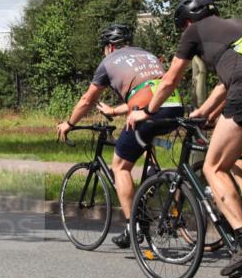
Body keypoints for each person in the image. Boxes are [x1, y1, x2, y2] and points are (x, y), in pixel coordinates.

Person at [126, 0, 242, 276]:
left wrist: (148, 111)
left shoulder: (194, 31)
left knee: (213, 167)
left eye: (183, 26)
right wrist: (206, 112)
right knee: (240, 159)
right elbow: (229, 83)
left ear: (188, 21)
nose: (185, 31)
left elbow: (169, 80)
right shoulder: (240, 25)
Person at [56, 23, 184, 248]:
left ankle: (133, 227)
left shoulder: (108, 62)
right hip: (174, 107)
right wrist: (114, 111)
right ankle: (153, 178)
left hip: (148, 112)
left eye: (104, 48)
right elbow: (148, 91)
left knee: (120, 166)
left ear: (110, 47)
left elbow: (87, 100)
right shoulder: (147, 55)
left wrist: (69, 123)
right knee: (143, 143)